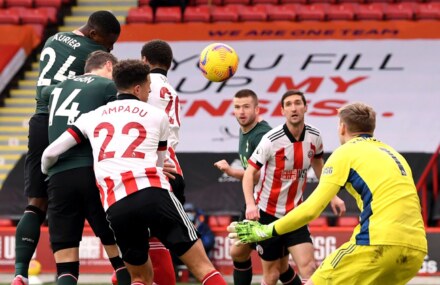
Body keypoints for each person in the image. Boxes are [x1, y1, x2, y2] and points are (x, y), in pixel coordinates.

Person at [41, 59, 228, 285]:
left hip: (117, 205)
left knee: (139, 277)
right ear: (138, 88)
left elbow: (50, 152)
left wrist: (45, 169)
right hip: (153, 194)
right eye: (148, 86)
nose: (150, 91)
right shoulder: (157, 116)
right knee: (203, 268)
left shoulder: (92, 117)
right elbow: (159, 164)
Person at [228, 102, 428, 285]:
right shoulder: (395, 155)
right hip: (416, 251)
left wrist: (266, 230)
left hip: (376, 243)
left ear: (342, 127)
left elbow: (311, 209)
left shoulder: (345, 152)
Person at [12, 10, 121, 285]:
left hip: (39, 120)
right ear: (95, 34)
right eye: (109, 43)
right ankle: (121, 267)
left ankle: (20, 274)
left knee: (35, 204)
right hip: (65, 120)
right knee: (96, 199)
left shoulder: (53, 38)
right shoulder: (93, 51)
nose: (109, 49)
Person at [240, 90, 345, 285]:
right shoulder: (271, 139)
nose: (293, 108)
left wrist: (333, 196)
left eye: (298, 103)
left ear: (306, 107)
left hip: (296, 214)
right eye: (288, 104)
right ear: (282, 111)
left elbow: (318, 165)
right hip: (267, 215)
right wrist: (250, 204)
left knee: (310, 267)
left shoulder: (314, 136)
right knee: (272, 275)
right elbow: (248, 174)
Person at [44, 51, 131, 285]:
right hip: (93, 172)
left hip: (58, 176)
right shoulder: (107, 86)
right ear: (108, 65)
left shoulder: (57, 89)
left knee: (65, 261)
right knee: (118, 252)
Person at [214, 89, 299, 285]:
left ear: (257, 108)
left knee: (277, 269)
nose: (241, 112)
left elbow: (258, 175)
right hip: (254, 202)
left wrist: (229, 171)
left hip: (269, 207)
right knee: (238, 252)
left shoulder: (261, 134)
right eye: (237, 107)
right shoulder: (245, 129)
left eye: (246, 107)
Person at [138, 39, 185, 285]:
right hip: (171, 163)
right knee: (158, 238)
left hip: (151, 166)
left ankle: (126, 275)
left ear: (144, 60)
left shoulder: (144, 86)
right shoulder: (171, 90)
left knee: (137, 236)